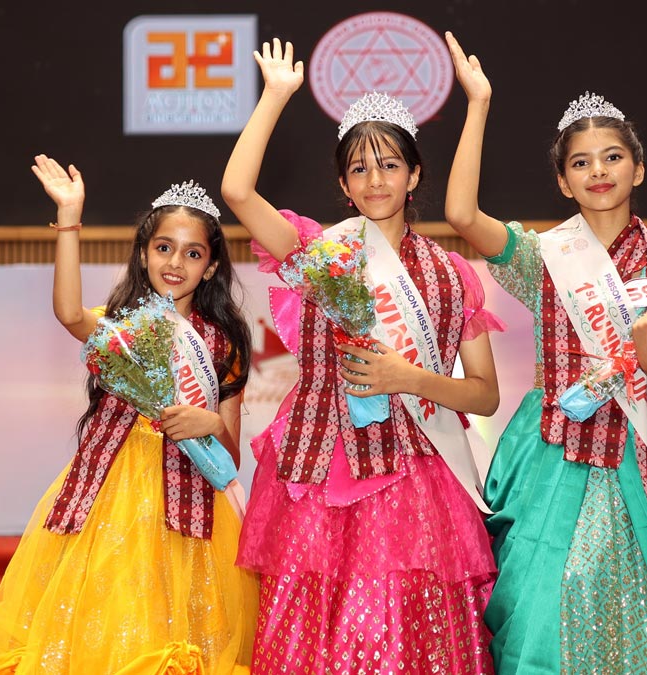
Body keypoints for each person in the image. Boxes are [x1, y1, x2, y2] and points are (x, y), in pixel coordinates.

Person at [442, 33, 647, 675]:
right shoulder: (542, 257)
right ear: (563, 181)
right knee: (548, 599)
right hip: (555, 450)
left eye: (613, 156)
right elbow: (461, 215)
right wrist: (478, 105)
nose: (599, 171)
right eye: (581, 162)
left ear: (638, 169)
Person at [221, 39, 503, 674]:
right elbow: (237, 190)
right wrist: (274, 97)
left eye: (390, 164)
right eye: (359, 169)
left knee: (404, 628)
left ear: (415, 174)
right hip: (320, 466)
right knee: (316, 630)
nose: (376, 180)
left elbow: (484, 393)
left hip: (417, 472)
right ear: (344, 185)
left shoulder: (452, 274)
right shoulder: (319, 252)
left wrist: (411, 377)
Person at [0, 155, 257, 675]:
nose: (175, 262)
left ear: (211, 266)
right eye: (163, 247)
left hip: (188, 502)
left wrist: (213, 424)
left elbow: (231, 455)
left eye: (193, 253)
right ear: (144, 254)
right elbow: (69, 314)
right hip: (110, 491)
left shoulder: (224, 344)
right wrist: (69, 219)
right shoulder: (122, 326)